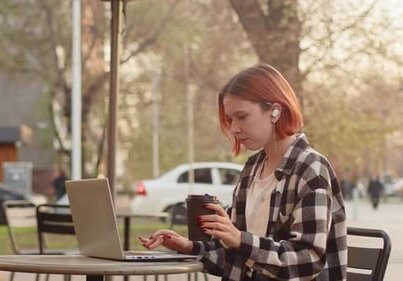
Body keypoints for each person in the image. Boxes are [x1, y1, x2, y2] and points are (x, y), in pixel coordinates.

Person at [140, 64, 347, 281]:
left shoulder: (310, 167)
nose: (233, 129)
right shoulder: (252, 169)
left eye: (242, 116)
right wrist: (189, 247)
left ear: (275, 111)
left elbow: (309, 259)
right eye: (230, 119)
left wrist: (240, 239)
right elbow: (234, 256)